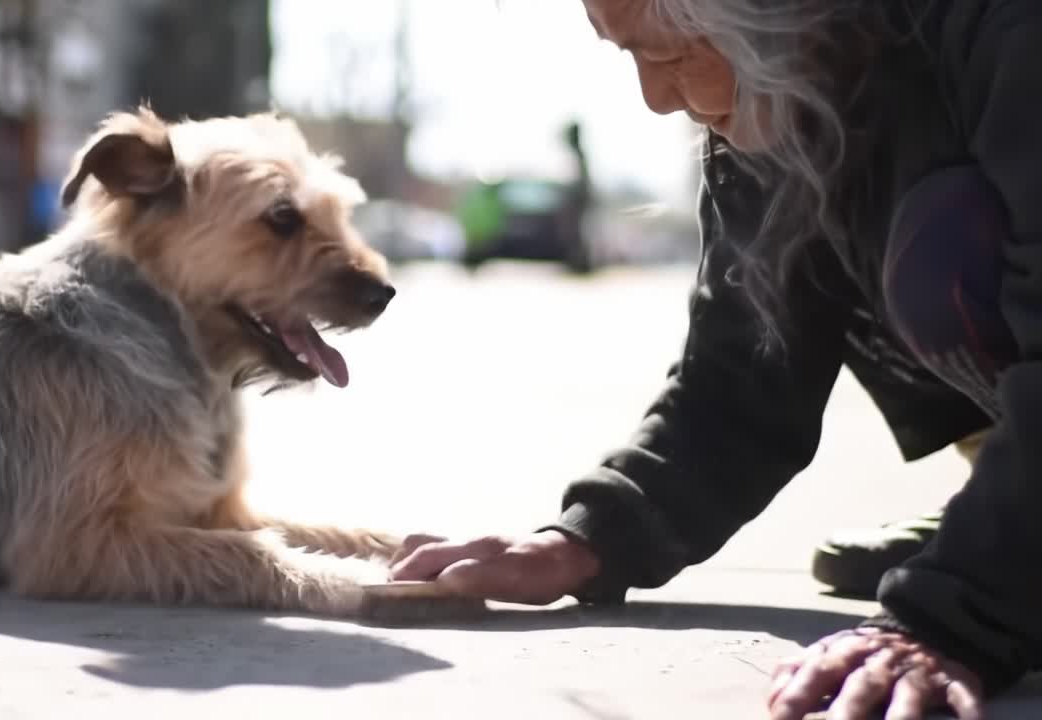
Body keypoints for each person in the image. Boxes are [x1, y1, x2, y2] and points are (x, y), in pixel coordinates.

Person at [389, 1, 1042, 718]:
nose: (656, 98)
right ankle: (1001, 502)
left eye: (669, 55)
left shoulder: (1005, 32)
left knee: (939, 249)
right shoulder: (787, 94)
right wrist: (589, 539)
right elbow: (738, 384)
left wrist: (960, 607)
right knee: (794, 250)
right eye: (627, 55)